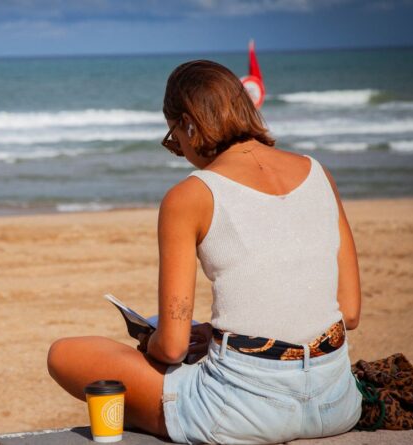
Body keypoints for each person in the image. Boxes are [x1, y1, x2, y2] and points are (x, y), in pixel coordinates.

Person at [46, 59, 363, 444]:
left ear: (189, 124)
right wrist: (216, 333)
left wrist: (153, 341)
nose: (178, 148)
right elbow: (349, 312)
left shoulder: (192, 195)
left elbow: (174, 347)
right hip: (337, 403)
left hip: (239, 412)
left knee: (65, 354)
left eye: (174, 137)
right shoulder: (318, 172)